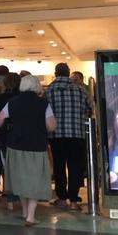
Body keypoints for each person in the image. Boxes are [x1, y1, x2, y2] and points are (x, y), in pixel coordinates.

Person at [0, 75, 57, 226]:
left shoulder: (12, 102)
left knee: (21, 179)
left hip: (15, 145)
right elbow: (51, 126)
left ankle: (24, 211)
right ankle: (30, 216)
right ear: (37, 86)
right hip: (36, 146)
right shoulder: (43, 104)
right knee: (35, 180)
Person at [46, 63, 93, 211]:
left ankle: (61, 198)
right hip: (77, 134)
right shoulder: (80, 90)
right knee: (75, 167)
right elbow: (90, 108)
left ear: (55, 73)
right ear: (68, 73)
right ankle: (73, 200)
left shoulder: (49, 90)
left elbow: (45, 112)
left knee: (59, 166)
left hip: (56, 135)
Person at [0, 72, 21, 211]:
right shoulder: (22, 98)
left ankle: (10, 200)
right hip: (23, 138)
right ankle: (25, 197)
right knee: (23, 167)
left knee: (8, 168)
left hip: (5, 136)